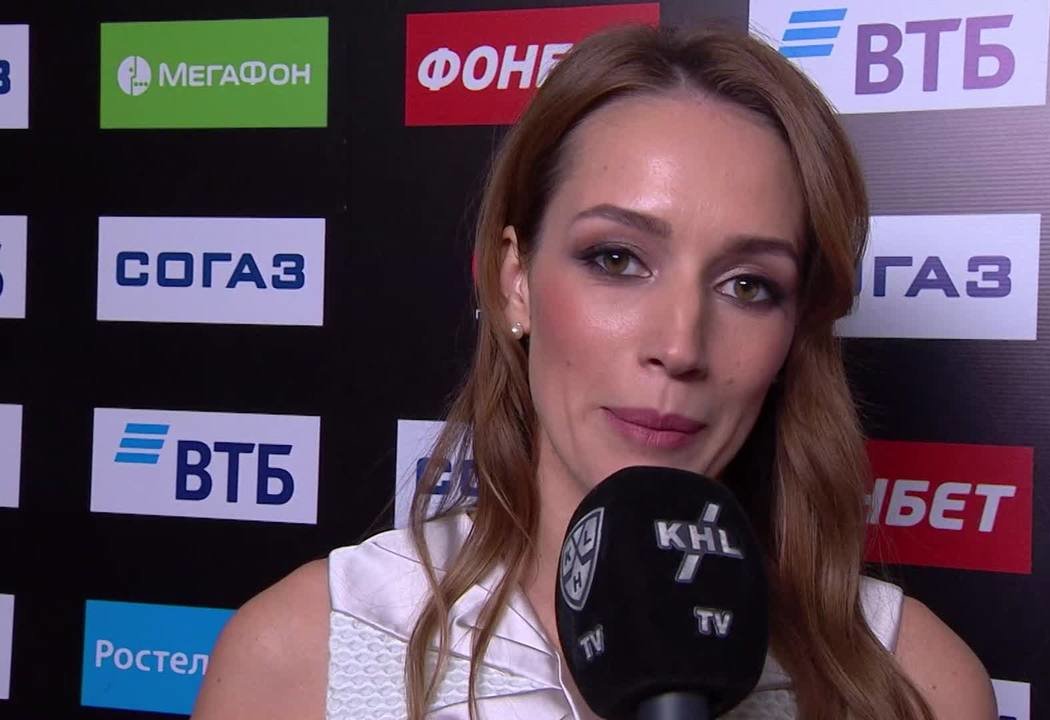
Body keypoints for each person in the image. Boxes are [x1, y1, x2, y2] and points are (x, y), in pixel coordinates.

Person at [192, 22, 996, 720]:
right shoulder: (307, 656)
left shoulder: (911, 681)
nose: (680, 346)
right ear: (515, 281)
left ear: (797, 329)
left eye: (749, 285)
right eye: (617, 259)